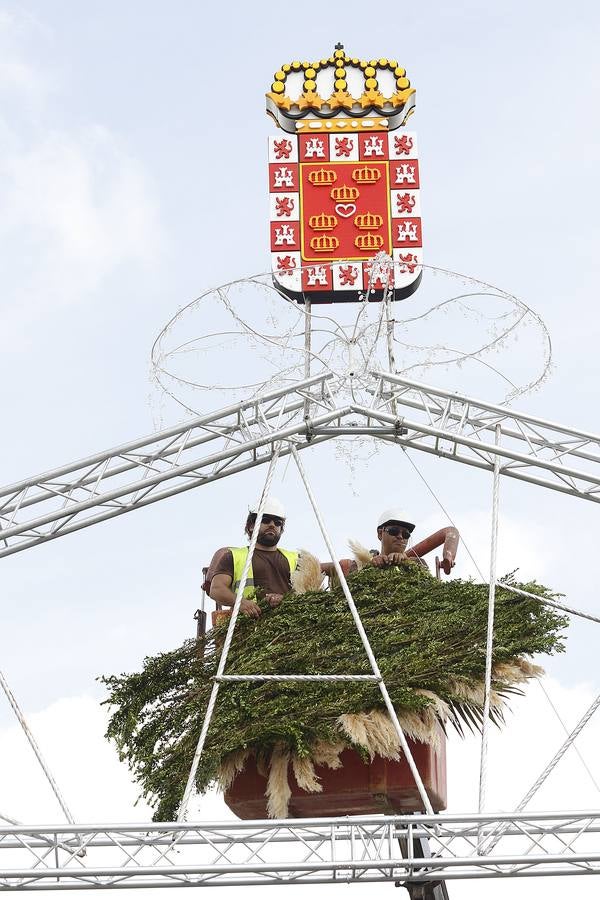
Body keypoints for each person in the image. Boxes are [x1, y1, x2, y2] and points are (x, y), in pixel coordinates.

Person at [205, 496, 298, 619]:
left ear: (281, 529)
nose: (272, 525)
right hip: (249, 627)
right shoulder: (234, 556)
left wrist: (284, 599)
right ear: (251, 526)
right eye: (265, 520)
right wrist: (241, 603)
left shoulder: (295, 559)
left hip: (290, 626)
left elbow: (307, 590)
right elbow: (216, 589)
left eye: (277, 522)